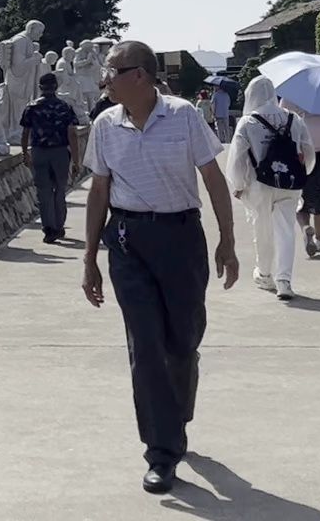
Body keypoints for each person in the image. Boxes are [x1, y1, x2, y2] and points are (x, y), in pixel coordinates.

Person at [81, 41, 238, 496]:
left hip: (180, 237)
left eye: (112, 71)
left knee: (181, 342)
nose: (103, 79)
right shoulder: (105, 125)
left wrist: (226, 239)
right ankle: (161, 451)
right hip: (128, 241)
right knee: (145, 345)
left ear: (142, 76)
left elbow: (212, 178)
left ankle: (176, 412)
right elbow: (98, 192)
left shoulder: (184, 115)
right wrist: (90, 257)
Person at [223, 77, 314, 299]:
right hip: (289, 183)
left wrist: (239, 184)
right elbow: (309, 154)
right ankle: (284, 280)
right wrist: (303, 173)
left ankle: (264, 274)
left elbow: (236, 159)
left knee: (262, 230)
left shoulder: (247, 122)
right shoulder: (294, 119)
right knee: (286, 231)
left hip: (259, 184)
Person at [20, 73, 82, 242]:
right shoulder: (64, 106)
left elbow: (25, 132)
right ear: (56, 86)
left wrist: (25, 153)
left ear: (40, 87)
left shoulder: (32, 107)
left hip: (39, 152)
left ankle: (49, 227)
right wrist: (76, 161)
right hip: (60, 152)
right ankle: (59, 226)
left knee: (43, 191)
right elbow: (72, 133)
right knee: (60, 190)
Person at [282, 99, 320, 256]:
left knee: (299, 194)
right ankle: (319, 239)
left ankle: (305, 228)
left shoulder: (292, 93)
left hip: (300, 148)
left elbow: (283, 118)